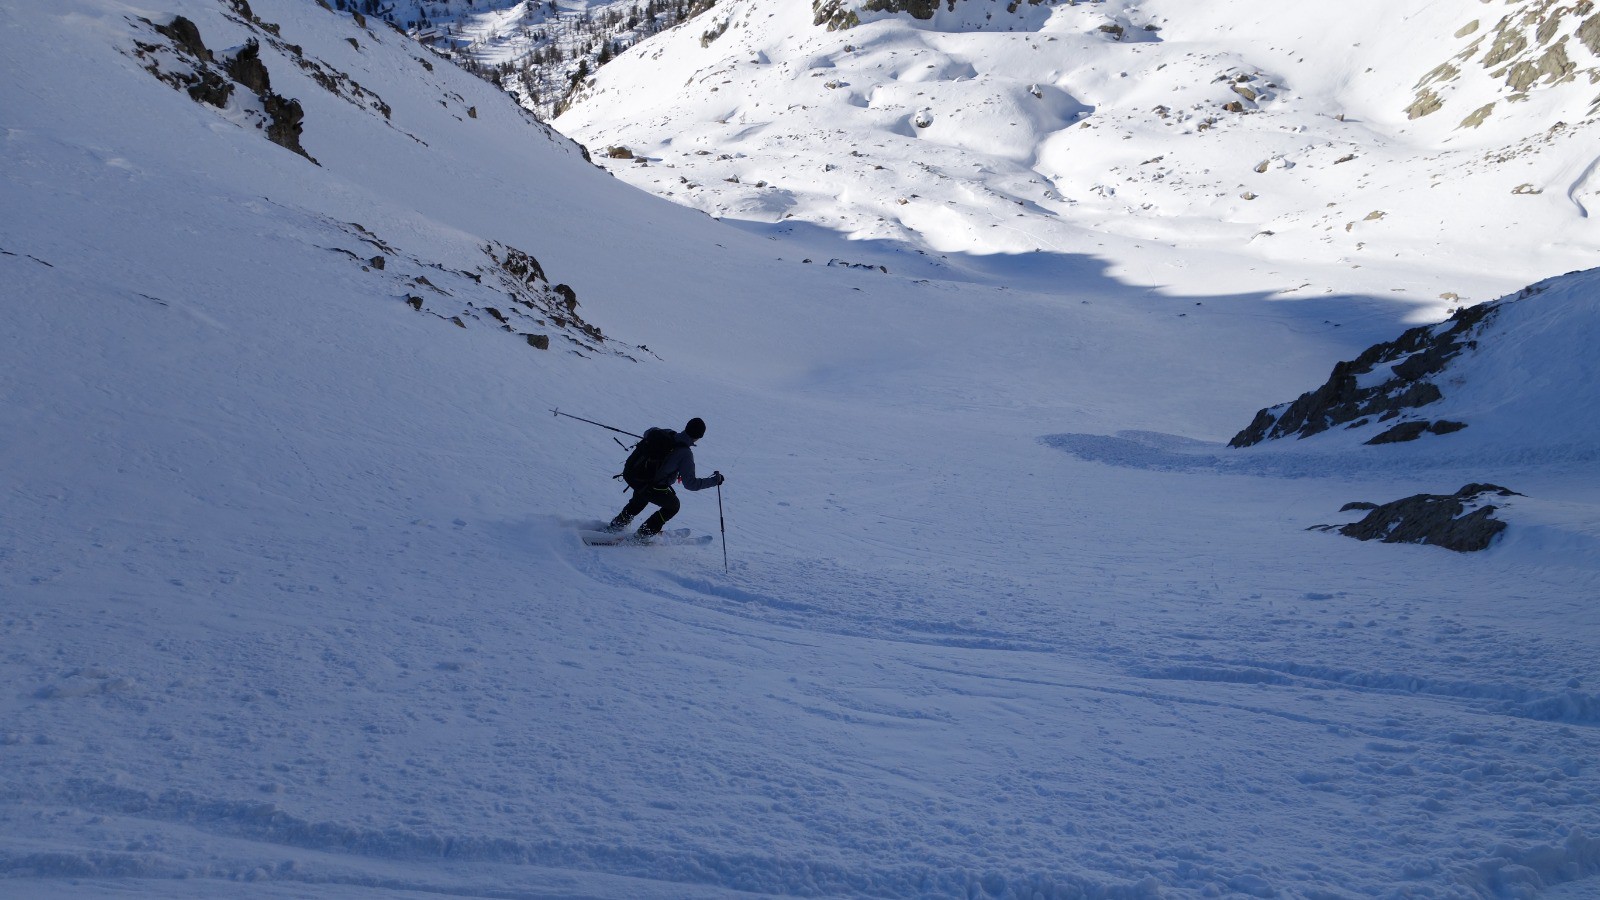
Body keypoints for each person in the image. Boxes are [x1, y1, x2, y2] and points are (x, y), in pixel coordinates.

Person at [607, 417, 723, 538]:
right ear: (699, 437)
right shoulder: (686, 454)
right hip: (651, 485)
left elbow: (648, 432)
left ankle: (617, 525)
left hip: (638, 476)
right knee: (673, 506)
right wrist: (715, 481)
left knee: (639, 500)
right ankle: (643, 534)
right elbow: (690, 484)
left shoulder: (668, 433)